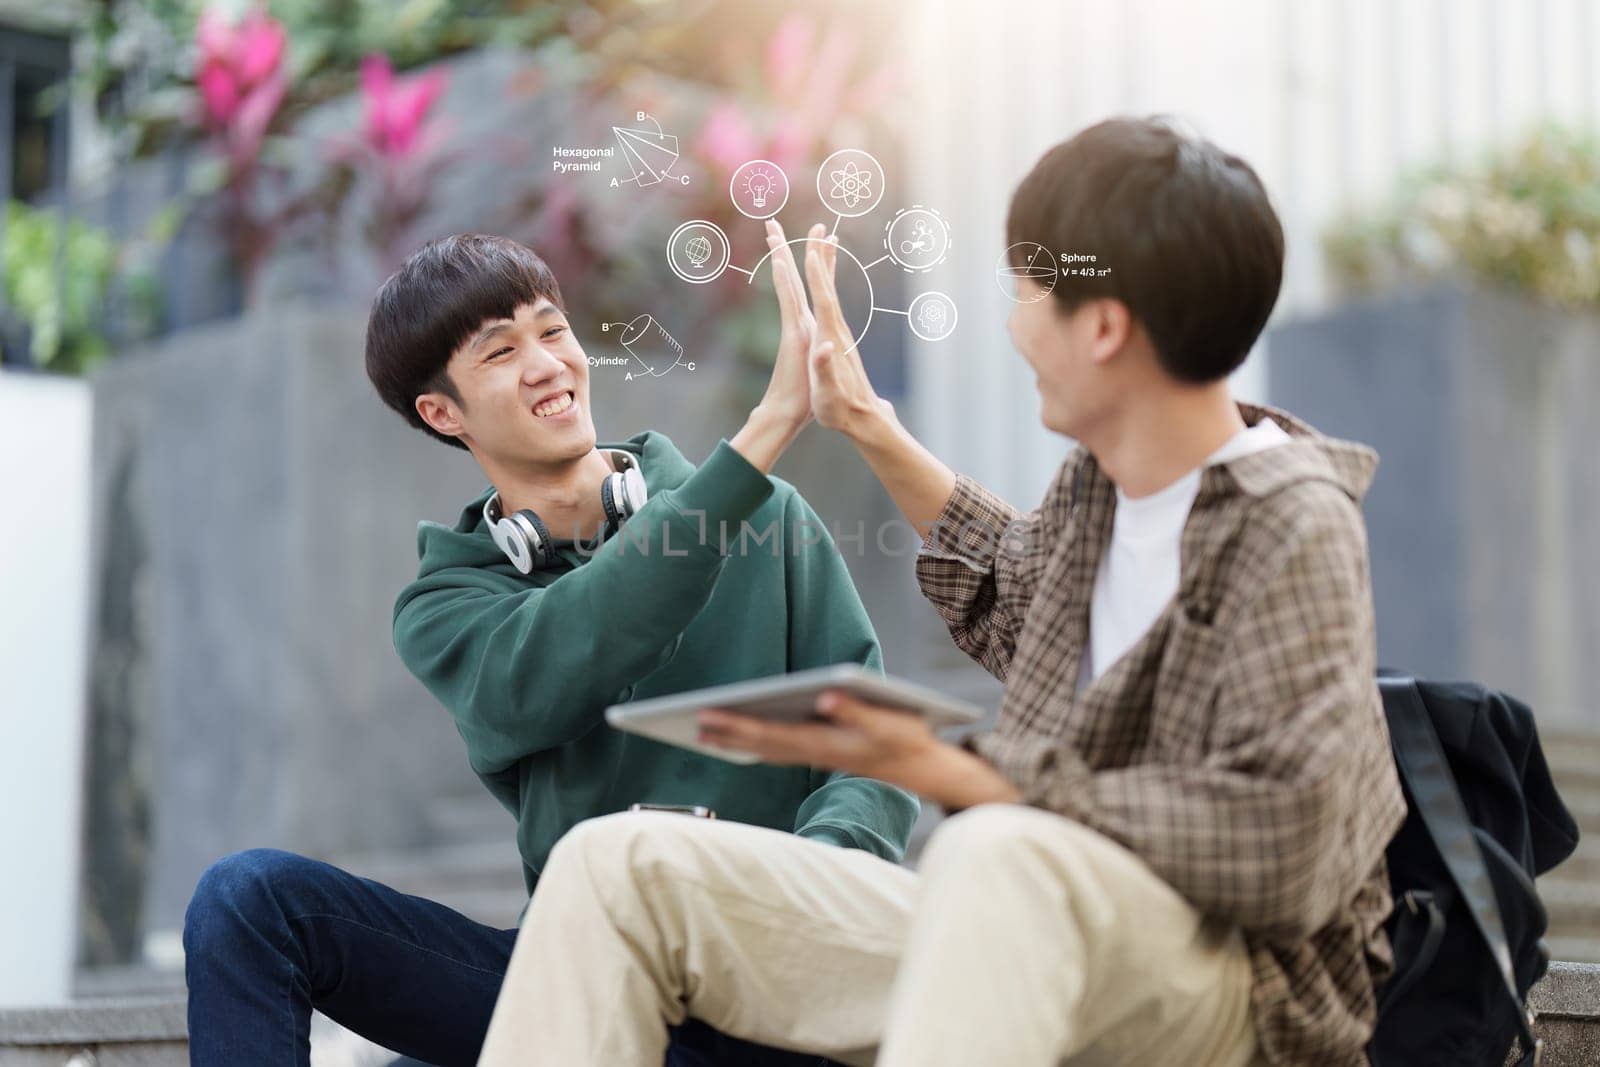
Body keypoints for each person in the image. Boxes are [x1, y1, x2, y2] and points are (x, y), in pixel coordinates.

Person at [478, 117, 1408, 1067]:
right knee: (617, 863)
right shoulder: (1100, 491)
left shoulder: (1291, 518)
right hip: (1031, 913)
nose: (1014, 328)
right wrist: (865, 421)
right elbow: (1010, 587)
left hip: (1231, 988)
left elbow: (1285, 839)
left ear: (1102, 326)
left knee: (997, 848)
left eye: (1027, 295)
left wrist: (965, 775)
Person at [180, 224, 918, 1067]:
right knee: (246, 899)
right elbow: (566, 655)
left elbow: (871, 744)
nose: (547, 365)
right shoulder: (447, 601)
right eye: (500, 353)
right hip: (579, 974)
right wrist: (761, 435)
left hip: (763, 984)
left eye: (553, 329)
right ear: (441, 411)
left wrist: (806, 892)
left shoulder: (768, 513)